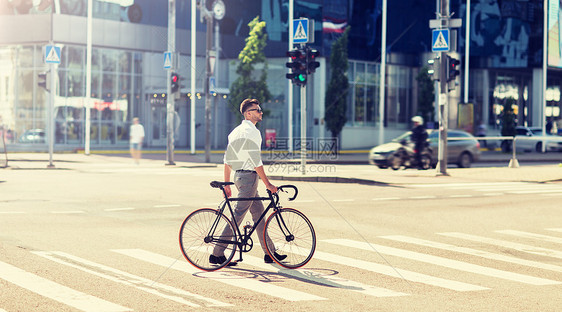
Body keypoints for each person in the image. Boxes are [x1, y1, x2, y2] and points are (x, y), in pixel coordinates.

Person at [211, 98, 286, 266]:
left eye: (260, 109)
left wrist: (227, 183)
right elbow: (255, 160)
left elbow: (227, 160)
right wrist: (268, 184)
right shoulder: (252, 131)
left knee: (259, 214)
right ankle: (217, 253)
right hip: (249, 178)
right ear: (248, 113)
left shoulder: (235, 132)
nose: (261, 112)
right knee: (238, 215)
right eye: (257, 110)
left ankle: (270, 253)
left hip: (239, 177)